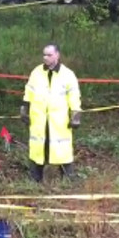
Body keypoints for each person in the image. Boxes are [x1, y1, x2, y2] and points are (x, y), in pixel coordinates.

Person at [21, 43, 82, 182]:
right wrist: (24, 109)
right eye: (44, 55)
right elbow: (28, 92)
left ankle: (68, 177)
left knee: (62, 149)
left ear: (57, 55)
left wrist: (76, 115)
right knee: (38, 150)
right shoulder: (36, 72)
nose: (45, 58)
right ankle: (35, 178)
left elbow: (74, 96)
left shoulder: (67, 74)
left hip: (59, 121)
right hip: (39, 119)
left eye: (49, 55)